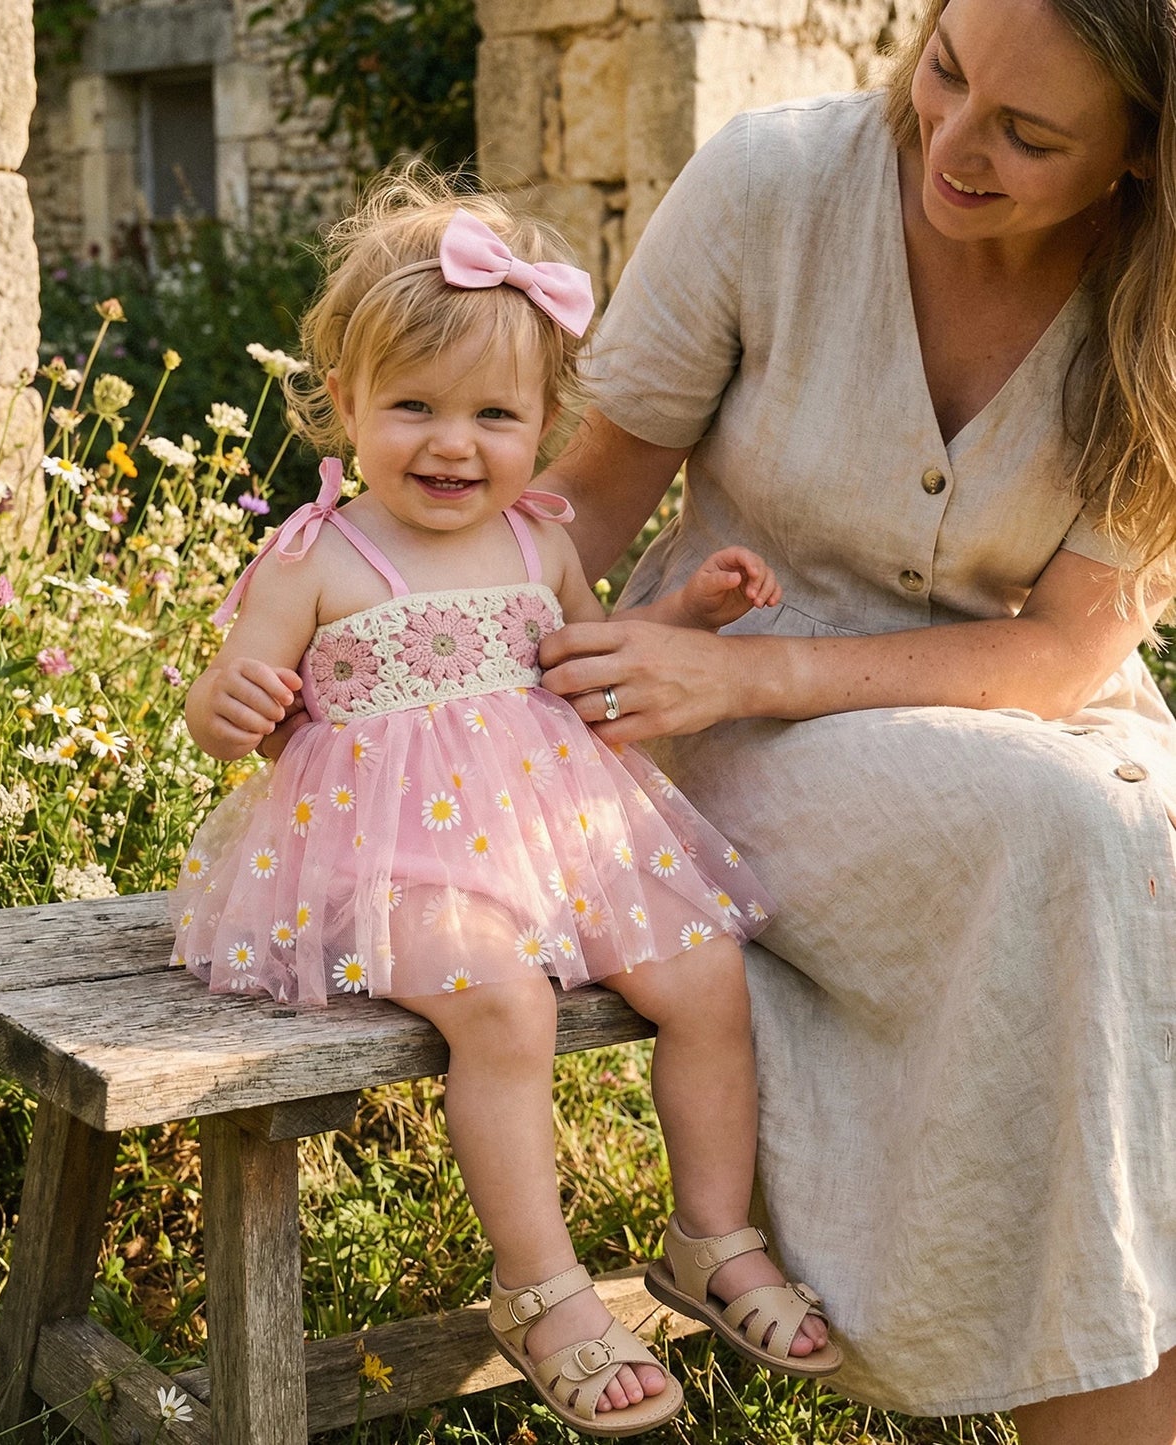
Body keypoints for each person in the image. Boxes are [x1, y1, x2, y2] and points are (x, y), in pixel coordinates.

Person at [533, 0, 1176, 1440]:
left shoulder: (1164, 294)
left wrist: (763, 676)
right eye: (941, 72)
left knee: (1137, 844)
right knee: (1073, 834)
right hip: (722, 716)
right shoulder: (771, 184)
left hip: (1027, 716)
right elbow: (592, 491)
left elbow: (1071, 650)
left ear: (1140, 157)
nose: (949, 142)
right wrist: (406, 628)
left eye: (1028, 133)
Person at [173, 173, 842, 1436]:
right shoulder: (319, 555)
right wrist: (229, 706)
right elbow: (229, 699)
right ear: (347, 405)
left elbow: (579, 658)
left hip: (559, 837)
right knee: (502, 1000)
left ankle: (709, 1235)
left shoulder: (538, 539)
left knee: (702, 971)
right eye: (412, 406)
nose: (451, 443)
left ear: (544, 421)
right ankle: (538, 1286)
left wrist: (684, 616)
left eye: (494, 413)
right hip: (392, 863)